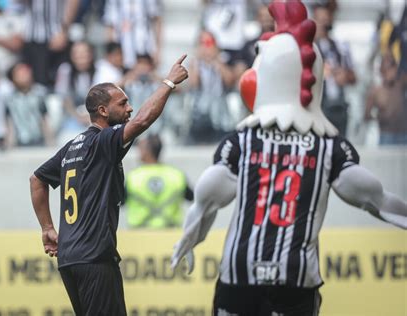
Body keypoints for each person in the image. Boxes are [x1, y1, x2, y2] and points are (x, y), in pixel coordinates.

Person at [171, 1, 407, 315]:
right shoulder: (329, 146)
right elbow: (375, 198)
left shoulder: (242, 141)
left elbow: (206, 198)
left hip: (240, 277)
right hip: (296, 280)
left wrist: (190, 238)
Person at [29, 54, 188, 315]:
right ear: (103, 111)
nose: (129, 108)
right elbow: (142, 121)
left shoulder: (72, 147)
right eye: (123, 103)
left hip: (70, 259)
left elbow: (37, 179)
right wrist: (169, 82)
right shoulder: (104, 143)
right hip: (94, 258)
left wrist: (47, 227)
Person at [124, 134, 194, 228]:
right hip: (170, 234)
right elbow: (193, 198)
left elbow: (119, 202)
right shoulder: (177, 175)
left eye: (140, 148)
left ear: (146, 151)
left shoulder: (133, 177)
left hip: (139, 235)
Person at [313, 3, 356, 137]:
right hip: (318, 106)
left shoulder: (340, 47)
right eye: (319, 19)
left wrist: (345, 75)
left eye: (325, 19)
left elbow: (354, 77)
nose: (322, 23)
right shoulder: (309, 47)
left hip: (339, 105)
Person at [364, 53, 407, 145]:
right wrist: (379, 117)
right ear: (381, 70)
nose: (388, 71)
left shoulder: (401, 84)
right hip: (386, 135)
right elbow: (366, 115)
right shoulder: (376, 91)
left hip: (404, 134)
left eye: (391, 67)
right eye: (385, 68)